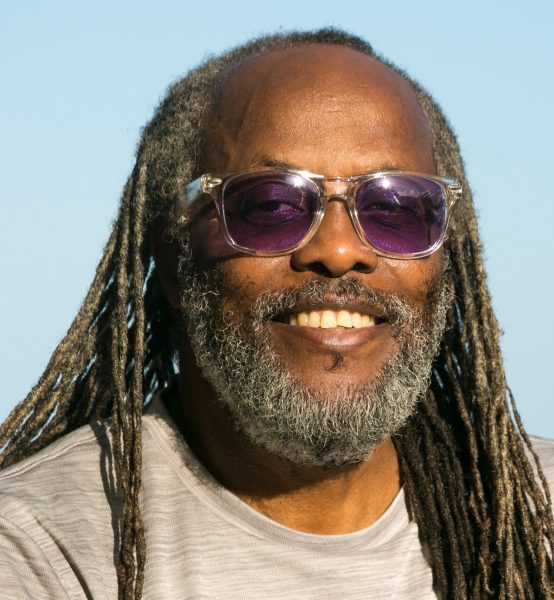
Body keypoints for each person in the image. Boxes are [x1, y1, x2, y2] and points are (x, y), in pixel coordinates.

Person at [0, 28, 553, 600]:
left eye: (394, 208)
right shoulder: (38, 552)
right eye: (271, 205)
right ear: (173, 258)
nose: (339, 251)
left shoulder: (535, 517)